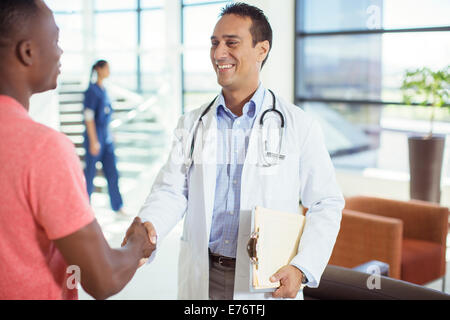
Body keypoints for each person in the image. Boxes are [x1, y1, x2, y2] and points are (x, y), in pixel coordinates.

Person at [124, 3, 344, 300]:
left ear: (261, 50)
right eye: (215, 43)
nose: (218, 54)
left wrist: (302, 267)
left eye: (231, 43)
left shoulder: (299, 126)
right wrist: (150, 229)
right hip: (203, 276)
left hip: (265, 281)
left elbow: (325, 203)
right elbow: (171, 191)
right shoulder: (192, 123)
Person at [0, 0, 155, 300]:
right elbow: (102, 278)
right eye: (55, 40)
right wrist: (138, 243)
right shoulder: (43, 148)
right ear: (27, 51)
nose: (60, 52)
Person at [83, 60, 127, 215]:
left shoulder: (105, 90)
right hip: (95, 138)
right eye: (107, 68)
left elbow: (107, 115)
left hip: (106, 138)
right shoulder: (91, 91)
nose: (109, 70)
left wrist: (111, 134)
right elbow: (88, 116)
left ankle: (118, 205)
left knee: (112, 172)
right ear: (99, 69)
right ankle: (84, 209)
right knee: (90, 174)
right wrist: (94, 140)